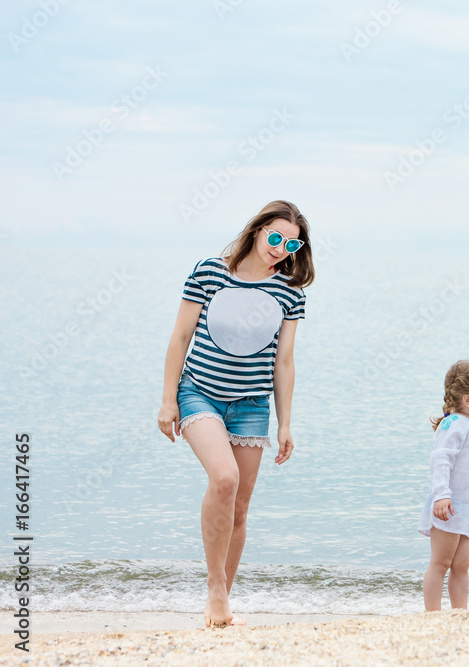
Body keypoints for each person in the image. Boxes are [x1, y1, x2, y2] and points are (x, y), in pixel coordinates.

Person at [157, 200, 314, 627]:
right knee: (224, 479)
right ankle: (214, 590)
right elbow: (181, 336)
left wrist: (285, 423)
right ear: (258, 229)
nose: (281, 247)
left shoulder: (289, 293)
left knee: (240, 506)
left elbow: (284, 363)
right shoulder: (210, 271)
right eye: (276, 236)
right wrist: (168, 398)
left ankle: (222, 603)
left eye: (292, 243)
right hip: (198, 394)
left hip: (252, 406)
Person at [419, 360, 469, 612]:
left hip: (466, 510)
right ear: (468, 399)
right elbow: (441, 460)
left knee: (461, 565)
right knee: (440, 563)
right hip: (448, 506)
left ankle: (459, 612)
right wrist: (441, 496)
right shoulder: (453, 424)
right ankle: (432, 614)